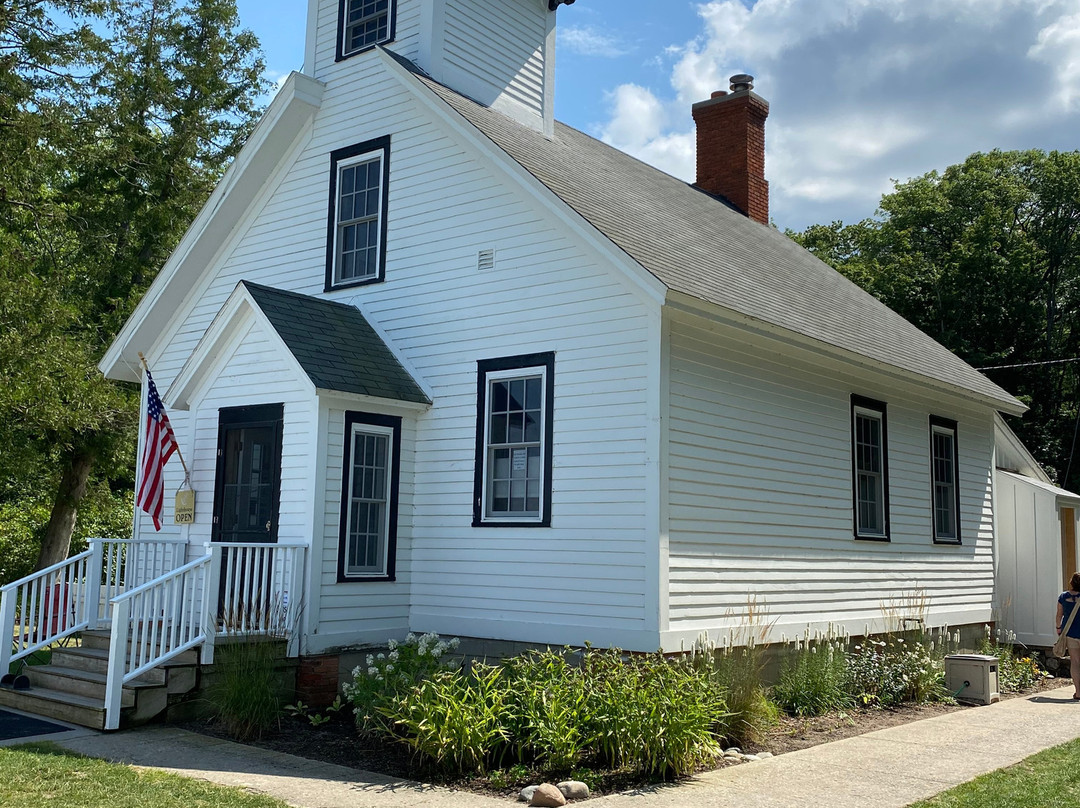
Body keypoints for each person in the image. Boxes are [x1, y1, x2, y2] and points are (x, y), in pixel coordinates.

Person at [1056, 572, 1080, 699]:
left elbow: (1059, 615)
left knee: (1075, 662)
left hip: (1070, 633)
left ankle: (1078, 692)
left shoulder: (1063, 597)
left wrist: (1058, 628)